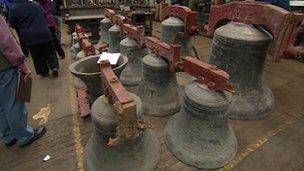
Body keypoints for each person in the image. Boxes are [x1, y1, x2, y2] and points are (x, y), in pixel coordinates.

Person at [0, 14, 47, 147]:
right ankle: (24, 135)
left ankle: (8, 136)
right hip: (4, 68)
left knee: (1, 106)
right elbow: (6, 42)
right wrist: (22, 65)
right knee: (13, 104)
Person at [9, 0, 59, 77]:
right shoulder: (36, 4)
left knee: (37, 55)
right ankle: (54, 67)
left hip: (30, 36)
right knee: (50, 51)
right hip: (44, 32)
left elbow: (12, 23)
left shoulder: (14, 8)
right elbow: (44, 15)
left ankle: (44, 72)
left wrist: (21, 27)